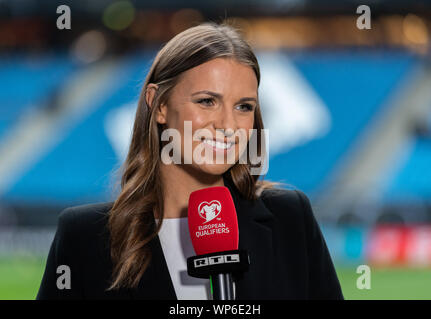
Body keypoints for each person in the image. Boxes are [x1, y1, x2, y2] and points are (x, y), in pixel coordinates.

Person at [36, 21, 343, 300]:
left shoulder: (290, 219)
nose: (227, 125)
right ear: (159, 105)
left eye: (244, 106)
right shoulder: (83, 237)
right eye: (207, 101)